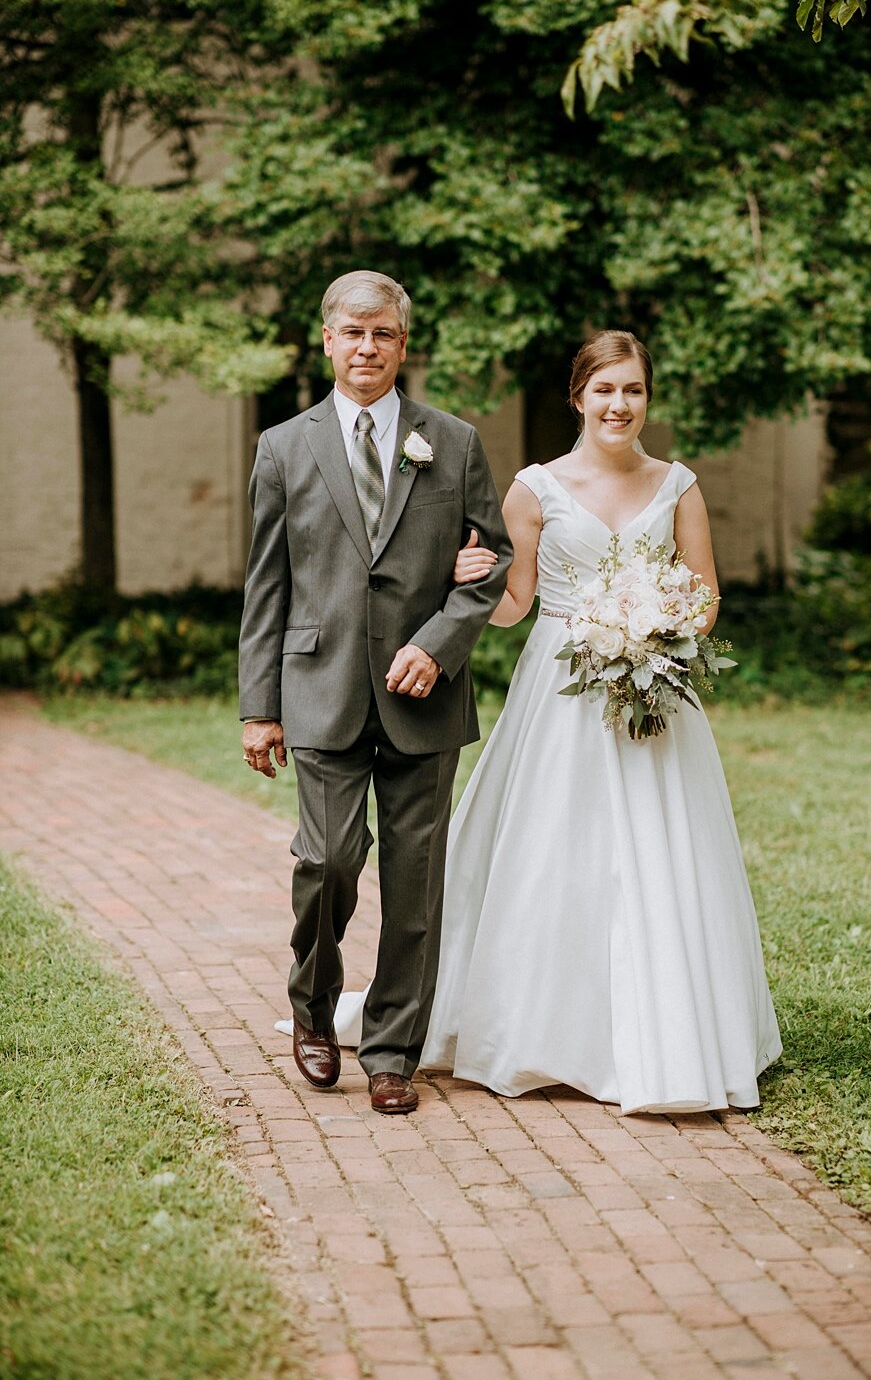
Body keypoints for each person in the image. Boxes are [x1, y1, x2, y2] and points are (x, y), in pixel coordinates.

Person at [318, 329, 781, 1115]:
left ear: (646, 398)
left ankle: (668, 1032)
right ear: (578, 398)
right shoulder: (535, 489)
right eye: (605, 390)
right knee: (552, 851)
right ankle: (536, 1031)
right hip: (561, 692)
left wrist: (658, 626)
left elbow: (704, 598)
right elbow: (510, 607)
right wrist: (465, 573)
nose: (619, 405)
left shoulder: (679, 485)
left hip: (653, 694)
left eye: (633, 390)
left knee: (660, 856)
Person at [239, 270, 512, 1114]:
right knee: (327, 860)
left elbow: (489, 560)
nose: (368, 349)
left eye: (383, 335)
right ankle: (312, 1014)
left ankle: (393, 1050)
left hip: (424, 698)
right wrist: (259, 705)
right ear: (327, 340)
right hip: (318, 689)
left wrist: (438, 645)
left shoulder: (454, 442)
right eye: (353, 333)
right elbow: (267, 583)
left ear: (402, 344)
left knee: (414, 880)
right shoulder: (284, 447)